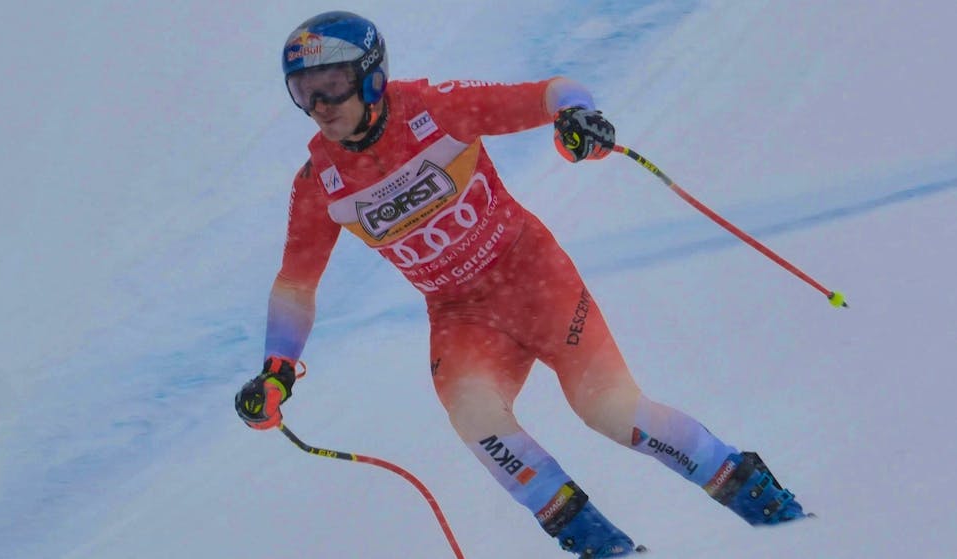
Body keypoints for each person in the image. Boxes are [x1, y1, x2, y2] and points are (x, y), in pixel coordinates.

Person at [235, 11, 807, 558]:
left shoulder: (435, 108)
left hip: (533, 280)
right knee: (477, 421)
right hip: (460, 315)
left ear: (373, 77)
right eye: (303, 91)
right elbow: (295, 286)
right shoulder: (319, 182)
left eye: (331, 85)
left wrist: (577, 115)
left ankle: (769, 509)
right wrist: (276, 369)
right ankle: (600, 546)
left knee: (612, 413)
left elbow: (554, 90)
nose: (319, 106)